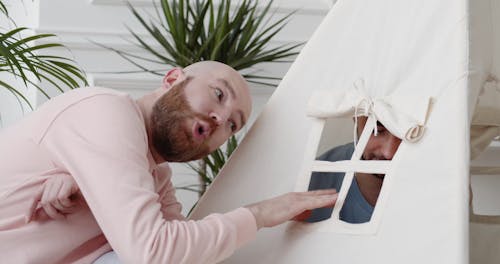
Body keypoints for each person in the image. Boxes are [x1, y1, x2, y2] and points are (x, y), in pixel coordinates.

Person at [0, 61, 337, 263]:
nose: (220, 118)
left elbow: (180, 253)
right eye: (219, 94)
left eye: (233, 125)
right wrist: (260, 215)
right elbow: (154, 252)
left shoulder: (155, 176)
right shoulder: (106, 112)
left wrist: (88, 183)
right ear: (173, 79)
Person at [307, 116, 401, 223]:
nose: (389, 153)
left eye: (408, 135)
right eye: (376, 129)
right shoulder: (313, 179)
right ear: (355, 118)